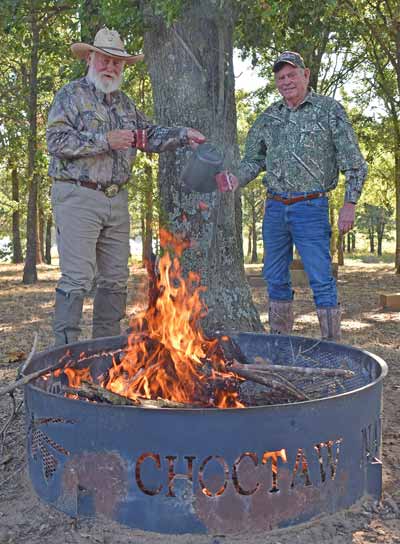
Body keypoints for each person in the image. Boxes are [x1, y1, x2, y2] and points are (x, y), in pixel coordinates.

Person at [47, 27, 205, 345]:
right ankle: (65, 359)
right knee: (77, 279)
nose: (110, 67)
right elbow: (55, 140)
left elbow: (150, 135)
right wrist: (104, 140)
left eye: (117, 62)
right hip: (78, 195)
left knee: (115, 281)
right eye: (105, 59)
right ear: (90, 58)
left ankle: (102, 355)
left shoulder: (126, 105)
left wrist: (183, 134)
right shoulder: (71, 95)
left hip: (116, 200)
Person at [216, 51, 367, 340]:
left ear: (305, 75)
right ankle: (280, 343)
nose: (286, 81)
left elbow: (355, 162)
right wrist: (235, 178)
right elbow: (253, 161)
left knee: (321, 278)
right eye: (280, 77)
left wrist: (350, 203)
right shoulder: (269, 117)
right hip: (274, 209)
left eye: (291, 75)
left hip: (311, 207)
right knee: (274, 278)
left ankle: (332, 346)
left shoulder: (329, 110)